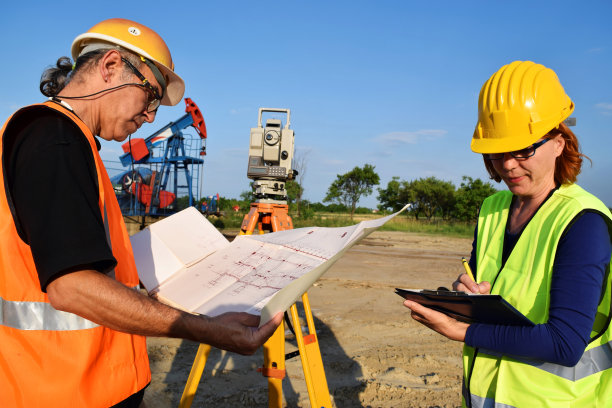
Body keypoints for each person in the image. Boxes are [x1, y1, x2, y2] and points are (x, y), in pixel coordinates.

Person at [0, 18, 282, 407]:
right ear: (111, 66)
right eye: (150, 96)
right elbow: (71, 286)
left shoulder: (72, 144)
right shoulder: (54, 139)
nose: (151, 116)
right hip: (61, 390)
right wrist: (207, 330)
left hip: (85, 384)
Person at [403, 61, 612, 407]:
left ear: (559, 142)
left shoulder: (583, 222)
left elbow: (565, 343)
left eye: (524, 149)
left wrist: (462, 330)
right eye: (499, 151)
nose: (508, 164)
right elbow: (490, 287)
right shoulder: (493, 209)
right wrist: (463, 294)